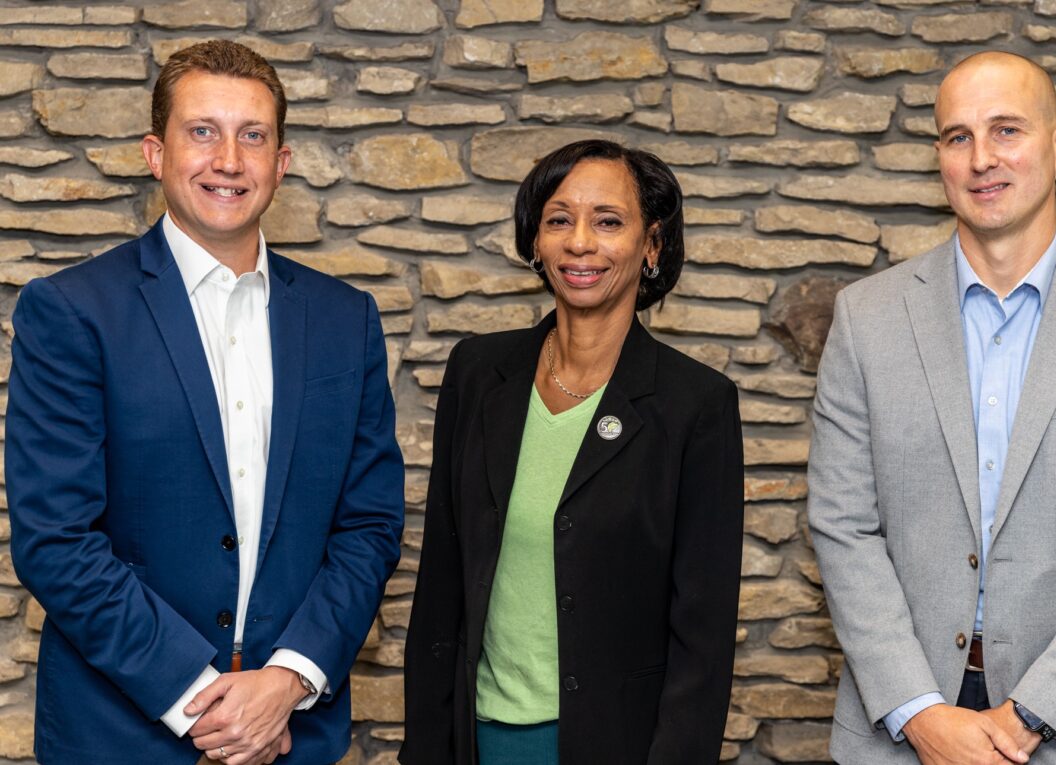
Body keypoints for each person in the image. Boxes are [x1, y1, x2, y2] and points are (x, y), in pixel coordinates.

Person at [6, 40, 405, 765]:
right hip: (122, 733)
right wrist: (207, 701)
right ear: (154, 153)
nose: (228, 158)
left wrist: (286, 680)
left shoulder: (347, 319)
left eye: (252, 135)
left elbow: (370, 525)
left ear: (281, 162)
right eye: (203, 132)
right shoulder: (70, 312)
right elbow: (55, 539)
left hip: (293, 733)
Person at [809, 51, 1056, 765]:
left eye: (1007, 130)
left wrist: (1026, 720)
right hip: (897, 732)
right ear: (940, 158)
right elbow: (842, 527)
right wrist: (922, 713)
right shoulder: (865, 319)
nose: (982, 158)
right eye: (958, 137)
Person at [399, 139, 744, 765]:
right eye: (559, 219)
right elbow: (441, 585)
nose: (580, 242)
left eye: (608, 221)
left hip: (616, 744)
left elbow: (704, 634)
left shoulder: (696, 406)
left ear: (652, 244)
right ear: (535, 242)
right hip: (478, 739)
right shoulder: (478, 373)